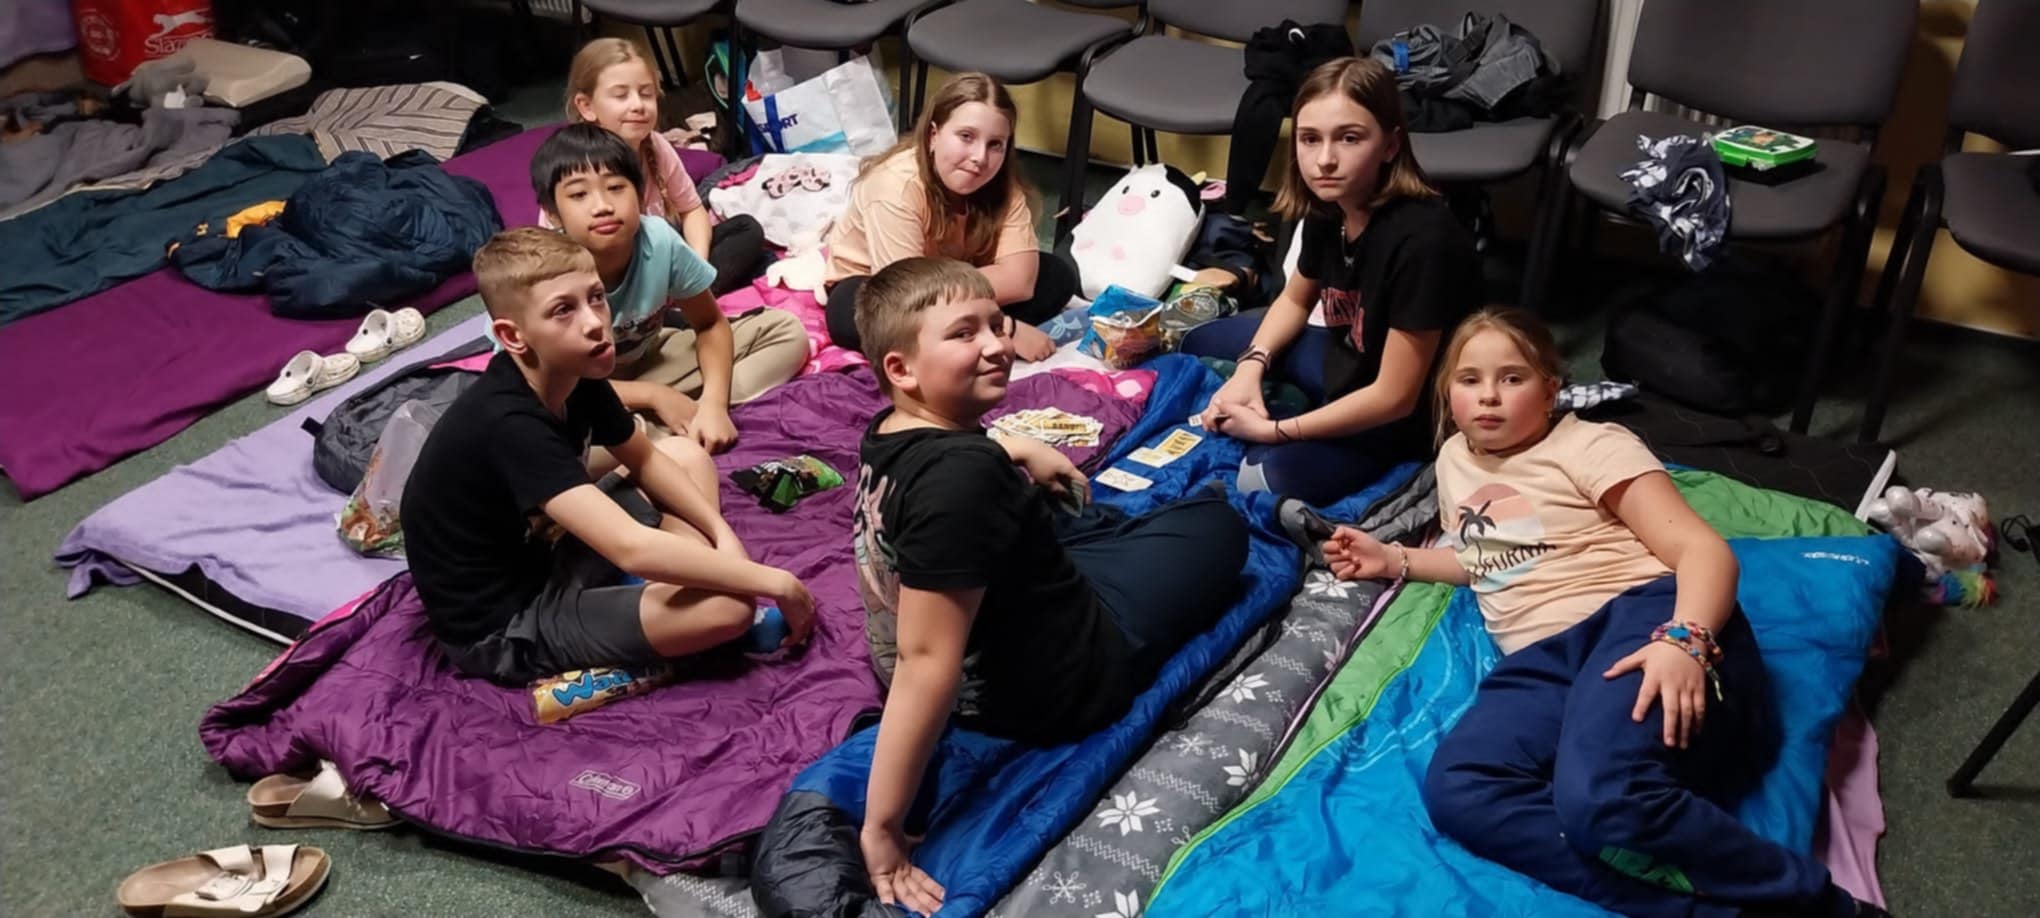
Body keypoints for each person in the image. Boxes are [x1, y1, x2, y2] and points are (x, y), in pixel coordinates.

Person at [1322, 308, 1885, 918]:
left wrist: (1683, 640)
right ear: (1447, 392)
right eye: (1469, 379)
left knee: (1601, 796)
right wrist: (1395, 559)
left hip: (1640, 617)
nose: (1488, 396)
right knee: (1461, 790)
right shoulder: (1457, 457)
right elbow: (1495, 557)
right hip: (1544, 659)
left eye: (1512, 378)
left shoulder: (1591, 445)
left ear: (1551, 390)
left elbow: (1703, 551)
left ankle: (1820, 905)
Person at [849, 257, 1247, 913]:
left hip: (993, 629)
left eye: (996, 324)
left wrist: (1014, 447)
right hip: (1060, 682)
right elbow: (925, 663)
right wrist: (882, 827)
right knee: (1217, 523)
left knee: (1071, 517)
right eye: (964, 333)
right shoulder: (963, 479)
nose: (996, 346)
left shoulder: (891, 431)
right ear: (901, 369)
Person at [401, 227, 816, 685]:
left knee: (684, 455)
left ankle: (668, 601)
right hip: (509, 622)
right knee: (730, 608)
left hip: (549, 551)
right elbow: (630, 548)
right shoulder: (507, 422)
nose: (595, 323)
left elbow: (645, 459)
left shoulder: (576, 369)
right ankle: (670, 614)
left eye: (596, 297)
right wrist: (772, 581)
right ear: (513, 337)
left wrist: (724, 541)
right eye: (563, 310)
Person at [1182, 56, 1480, 505]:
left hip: (1405, 416)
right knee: (1197, 341)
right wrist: (1250, 367)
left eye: (1349, 138)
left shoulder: (1425, 241)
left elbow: (1395, 397)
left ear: (1390, 145)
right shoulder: (1331, 205)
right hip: (1349, 360)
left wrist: (1275, 431)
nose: (1324, 160)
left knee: (1259, 480)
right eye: (1309, 139)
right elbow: (1295, 300)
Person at [533, 124, 809, 456]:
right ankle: (654, 429)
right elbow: (540, 382)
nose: (602, 205)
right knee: (555, 447)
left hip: (649, 361)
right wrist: (653, 396)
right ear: (552, 213)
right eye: (579, 195)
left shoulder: (658, 239)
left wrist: (714, 404)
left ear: (640, 194)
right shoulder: (542, 271)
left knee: (787, 332)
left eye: (616, 187)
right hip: (578, 393)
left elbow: (710, 323)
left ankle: (672, 427)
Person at [822, 72, 1077, 360]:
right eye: (966, 137)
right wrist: (1004, 328)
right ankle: (964, 334)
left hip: (957, 276)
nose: (980, 157)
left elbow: (1019, 282)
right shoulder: (894, 185)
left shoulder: (1003, 185)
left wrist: (955, 302)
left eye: (995, 144)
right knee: (853, 315)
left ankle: (954, 335)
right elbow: (905, 295)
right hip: (881, 285)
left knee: (1056, 277)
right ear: (933, 136)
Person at [564, 36, 765, 295]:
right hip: (616, 286)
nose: (638, 105)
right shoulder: (574, 165)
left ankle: (690, 298)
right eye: (621, 96)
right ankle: (675, 307)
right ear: (587, 106)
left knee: (746, 229)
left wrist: (698, 267)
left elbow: (691, 209)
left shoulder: (655, 145)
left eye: (646, 94)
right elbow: (569, 259)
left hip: (665, 262)